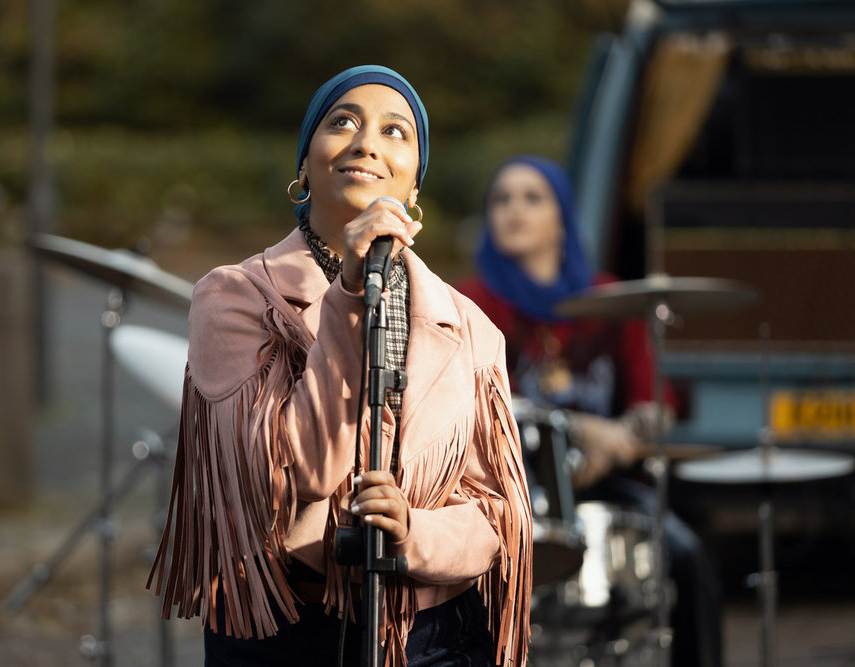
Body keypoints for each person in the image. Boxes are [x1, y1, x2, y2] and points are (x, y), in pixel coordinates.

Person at [148, 66, 534, 667]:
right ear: (304, 166)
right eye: (343, 121)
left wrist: (414, 534)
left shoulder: (471, 329)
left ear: (413, 189)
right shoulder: (234, 298)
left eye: (395, 131)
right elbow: (296, 473)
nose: (366, 142)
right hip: (288, 630)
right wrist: (349, 294)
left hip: (439, 637)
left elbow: (494, 514)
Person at [455, 155, 723, 667]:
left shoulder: (611, 298)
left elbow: (654, 405)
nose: (514, 210)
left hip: (604, 485)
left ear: (562, 216)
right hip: (510, 489)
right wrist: (583, 429)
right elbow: (479, 400)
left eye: (532, 198)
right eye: (501, 199)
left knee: (688, 559)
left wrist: (623, 434)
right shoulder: (469, 301)